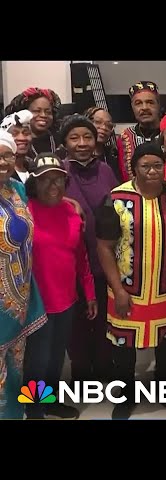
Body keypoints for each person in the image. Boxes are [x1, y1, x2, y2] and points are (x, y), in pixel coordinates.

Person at [96, 142, 166, 420]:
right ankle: (124, 396)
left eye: (157, 165)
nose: (152, 171)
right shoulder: (115, 199)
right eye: (145, 166)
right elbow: (104, 247)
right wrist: (118, 289)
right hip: (126, 291)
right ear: (134, 168)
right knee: (123, 348)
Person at [24, 153, 98, 420]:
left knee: (56, 358)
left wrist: (89, 293)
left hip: (67, 300)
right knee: (37, 360)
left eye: (59, 179)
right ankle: (33, 409)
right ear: (33, 184)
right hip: (35, 303)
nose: (53, 185)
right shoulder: (24, 211)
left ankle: (50, 402)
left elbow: (81, 259)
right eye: (46, 180)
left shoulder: (71, 212)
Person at [59, 114, 120, 385]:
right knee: (79, 322)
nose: (82, 143)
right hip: (74, 262)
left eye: (87, 137)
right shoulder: (59, 173)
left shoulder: (106, 170)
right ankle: (82, 371)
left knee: (106, 317)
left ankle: (105, 367)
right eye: (74, 138)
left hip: (106, 259)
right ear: (65, 143)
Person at [0, 130, 47, 420]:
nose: (2, 161)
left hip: (20, 292)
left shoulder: (16, 188)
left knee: (16, 363)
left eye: (6, 155)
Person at [118, 81, 162, 180]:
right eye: (138, 103)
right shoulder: (125, 137)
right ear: (132, 107)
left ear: (158, 105)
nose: (144, 108)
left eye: (150, 102)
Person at [4, 87, 62, 157]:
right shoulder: (16, 143)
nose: (43, 115)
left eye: (48, 112)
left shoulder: (60, 140)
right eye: (37, 111)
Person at [1, 110, 34, 183]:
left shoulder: (34, 168)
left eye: (26, 133)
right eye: (14, 133)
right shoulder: (3, 170)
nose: (22, 138)